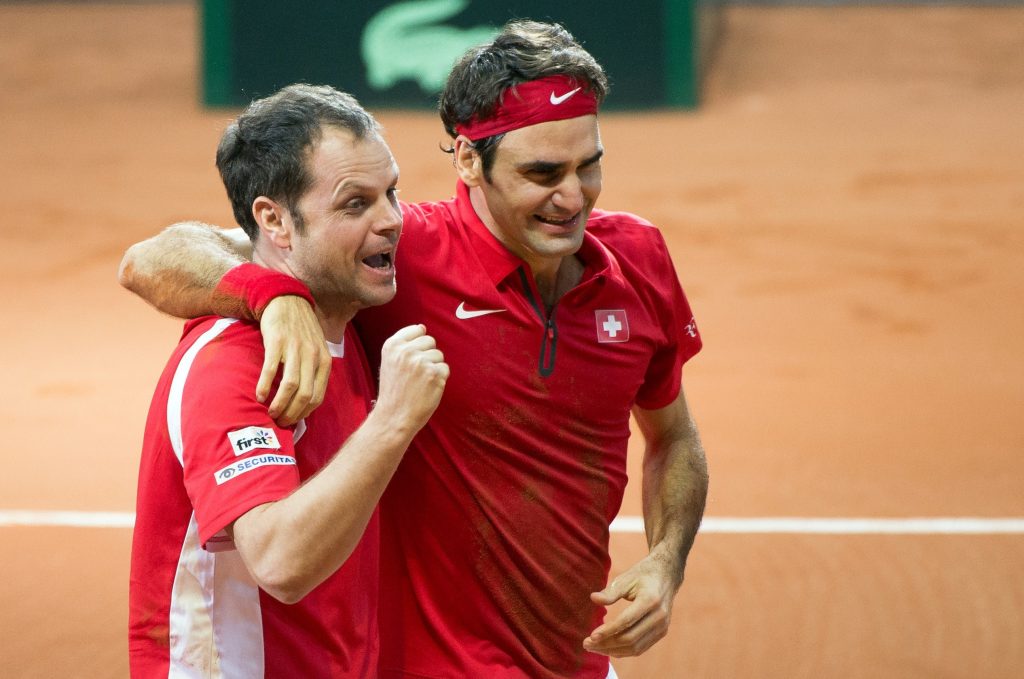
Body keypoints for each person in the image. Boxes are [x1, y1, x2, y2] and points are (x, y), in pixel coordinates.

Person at [121, 20, 708, 679]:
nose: (572, 197)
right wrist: (272, 295)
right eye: (542, 173)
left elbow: (675, 438)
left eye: (589, 165)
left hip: (579, 663)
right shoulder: (400, 262)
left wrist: (666, 558)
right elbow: (156, 257)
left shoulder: (639, 261)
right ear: (468, 161)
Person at [126, 84, 448, 678]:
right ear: (274, 220)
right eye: (355, 204)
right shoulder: (234, 363)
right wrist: (395, 418)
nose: (392, 221)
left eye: (392, 193)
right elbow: (281, 562)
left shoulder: (342, 306)